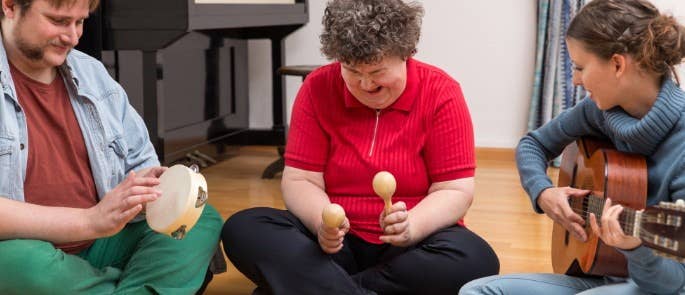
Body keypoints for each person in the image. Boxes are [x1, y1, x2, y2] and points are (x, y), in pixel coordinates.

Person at [221, 0, 499, 294]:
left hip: (407, 247)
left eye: (378, 71)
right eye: (352, 71)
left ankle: (315, 287)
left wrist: (411, 226)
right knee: (244, 227)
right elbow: (301, 179)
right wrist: (322, 223)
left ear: (406, 53)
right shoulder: (317, 88)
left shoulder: (441, 92)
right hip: (333, 248)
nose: (366, 85)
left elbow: (455, 190)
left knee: (476, 259)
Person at [459, 0, 685, 294]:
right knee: (477, 291)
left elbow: (674, 281)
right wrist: (544, 193)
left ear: (617, 64)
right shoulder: (599, 111)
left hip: (659, 285)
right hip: (601, 271)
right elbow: (533, 144)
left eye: (579, 67)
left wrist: (637, 248)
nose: (575, 79)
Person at [0, 0, 223, 293]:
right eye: (58, 21)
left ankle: (98, 284)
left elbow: (139, 162)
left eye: (80, 22)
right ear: (10, 6)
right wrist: (89, 221)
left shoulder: (93, 74)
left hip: (103, 240)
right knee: (22, 265)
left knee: (200, 218)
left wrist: (152, 192)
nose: (73, 37)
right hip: (25, 248)